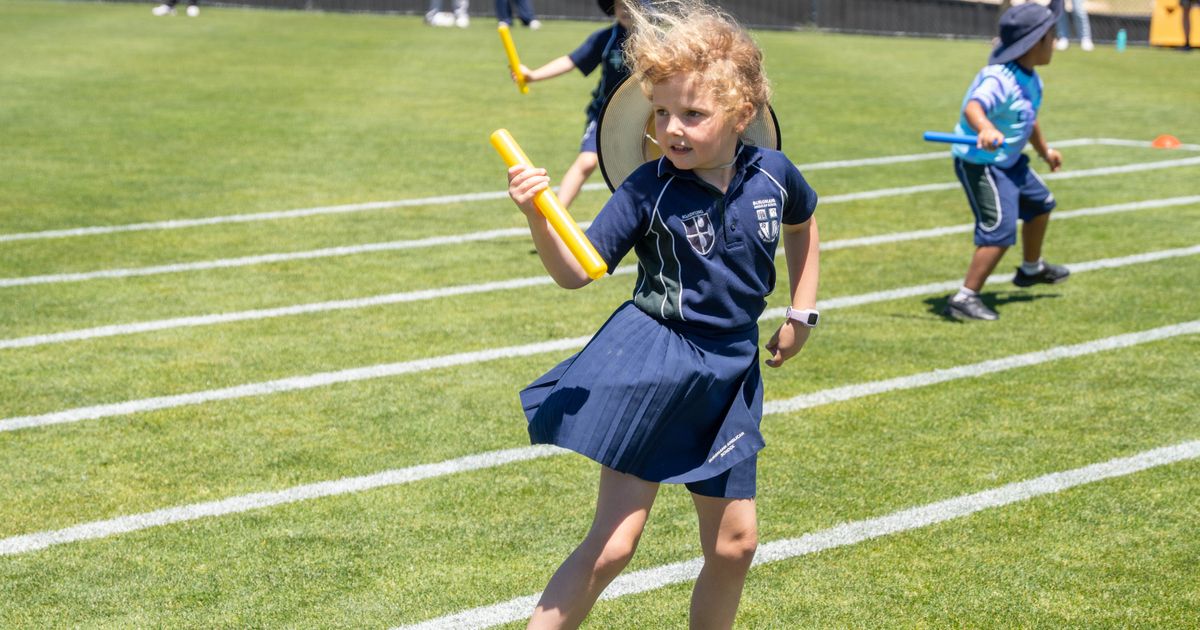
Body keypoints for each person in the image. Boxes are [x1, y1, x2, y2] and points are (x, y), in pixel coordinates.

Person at [504, 0, 819, 626]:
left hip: (733, 370)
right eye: (662, 113)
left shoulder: (775, 174)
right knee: (613, 546)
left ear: (741, 114)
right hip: (657, 365)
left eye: (693, 114)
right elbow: (576, 271)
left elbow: (804, 222)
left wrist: (802, 313)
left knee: (735, 546)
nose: (672, 128)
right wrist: (538, 215)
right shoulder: (648, 186)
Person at [943, 0, 1069, 322]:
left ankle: (1031, 269)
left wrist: (1045, 151)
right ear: (1036, 42)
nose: (1055, 42)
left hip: (1009, 161)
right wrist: (985, 128)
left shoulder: (1032, 79)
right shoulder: (999, 78)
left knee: (1041, 204)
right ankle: (965, 297)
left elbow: (1028, 119)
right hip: (982, 163)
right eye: (1051, 35)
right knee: (999, 229)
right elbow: (974, 107)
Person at [512, 0, 630, 208]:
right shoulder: (605, 38)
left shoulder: (658, 40)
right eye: (621, 4)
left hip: (647, 117)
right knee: (587, 162)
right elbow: (570, 61)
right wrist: (533, 75)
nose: (626, 10)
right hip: (605, 114)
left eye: (632, 3)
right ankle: (554, 215)